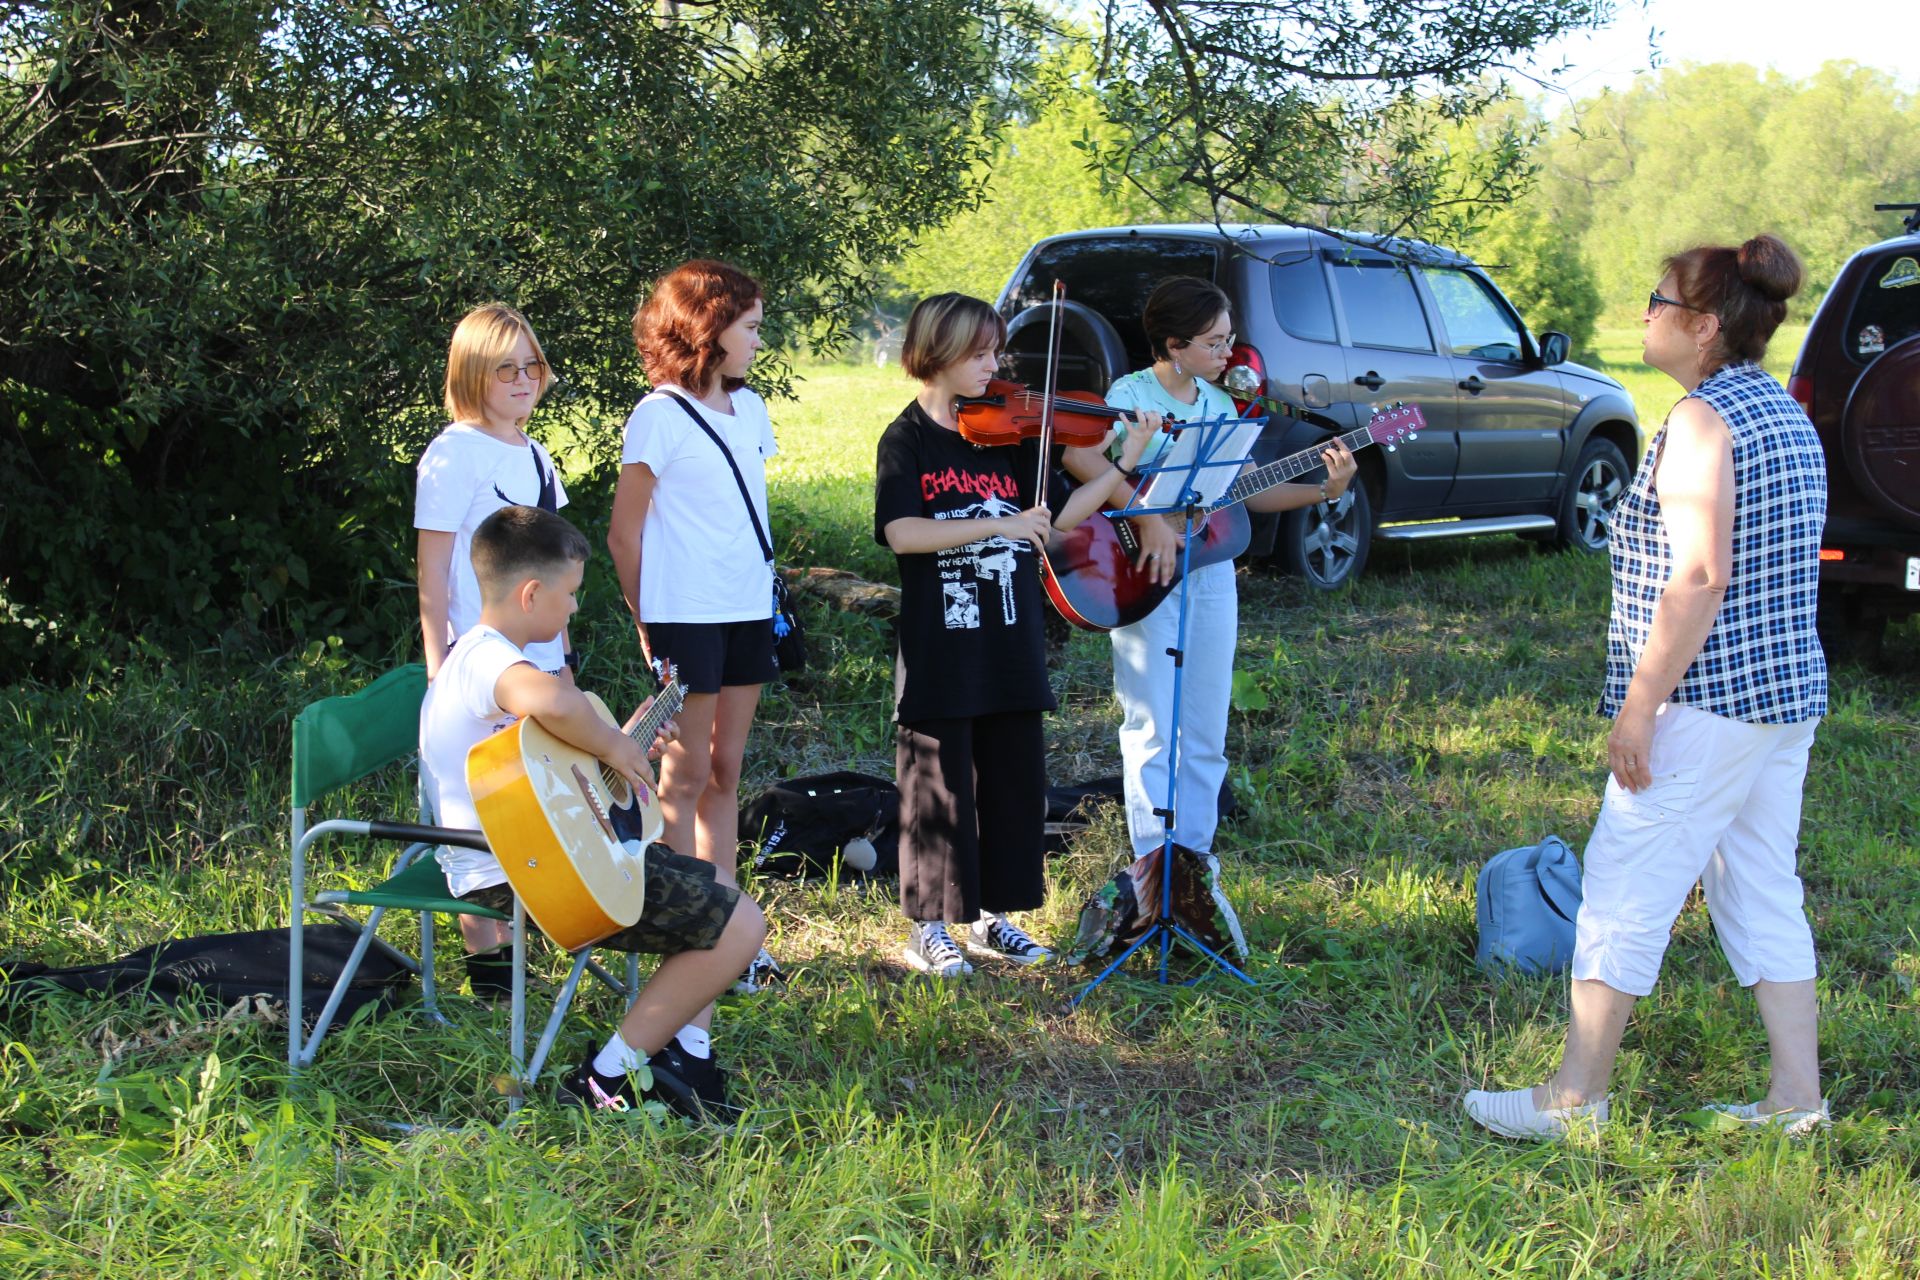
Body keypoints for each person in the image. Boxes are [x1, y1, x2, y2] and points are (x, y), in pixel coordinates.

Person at [1463, 234, 1829, 1140]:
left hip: (1709, 703)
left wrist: (1639, 708)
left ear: (1704, 327)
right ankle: (1796, 1101)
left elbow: (1698, 577)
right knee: (1761, 888)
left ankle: (1573, 1101)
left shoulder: (1705, 422)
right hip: (1782, 702)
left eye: (1658, 302)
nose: (1645, 315)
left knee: (1622, 889)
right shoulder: (1781, 410)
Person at [421, 504, 767, 1119]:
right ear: (531, 593)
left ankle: (685, 1055)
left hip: (539, 853)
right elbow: (551, 699)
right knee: (740, 926)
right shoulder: (485, 659)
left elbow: (549, 772)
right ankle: (607, 1079)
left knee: (712, 889)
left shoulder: (490, 658)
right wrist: (612, 744)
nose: (575, 609)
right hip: (517, 875)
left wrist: (622, 746)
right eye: (572, 593)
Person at [874, 292, 1155, 977]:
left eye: (994, 352)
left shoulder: (1014, 437)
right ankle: (929, 928)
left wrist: (1124, 465)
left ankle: (992, 919)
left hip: (1010, 638)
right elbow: (902, 534)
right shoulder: (906, 439)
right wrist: (996, 525)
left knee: (1010, 783)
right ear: (934, 354)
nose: (993, 367)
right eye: (978, 354)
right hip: (943, 644)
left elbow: (1058, 522)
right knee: (937, 785)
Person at [1061, 276, 1355, 869]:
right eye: (1215, 343)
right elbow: (1080, 456)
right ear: (1174, 345)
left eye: (1229, 341)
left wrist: (1326, 488)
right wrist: (1144, 517)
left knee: (1205, 723)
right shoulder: (1131, 392)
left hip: (1210, 570)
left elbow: (1244, 493)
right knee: (1152, 721)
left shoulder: (1219, 404)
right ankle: (1152, 865)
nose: (1228, 355)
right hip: (1142, 566)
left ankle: (1193, 860)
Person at [608, 259, 783, 993]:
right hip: (686, 617)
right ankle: (691, 933)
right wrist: (648, 625)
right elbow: (625, 534)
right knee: (678, 781)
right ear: (707, 330)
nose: (756, 342)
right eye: (749, 328)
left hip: (748, 611)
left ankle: (731, 929)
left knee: (725, 772)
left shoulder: (754, 408)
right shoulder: (657, 414)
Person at [414, 303, 572, 995]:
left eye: (530, 365)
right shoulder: (452, 452)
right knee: (477, 827)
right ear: (472, 372)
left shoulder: (535, 454)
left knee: (527, 819)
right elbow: (430, 576)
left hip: (538, 667)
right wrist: (439, 671)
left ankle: (520, 970)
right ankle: (491, 986)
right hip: (476, 674)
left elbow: (556, 570)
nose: (520, 379)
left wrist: (562, 662)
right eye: (503, 367)